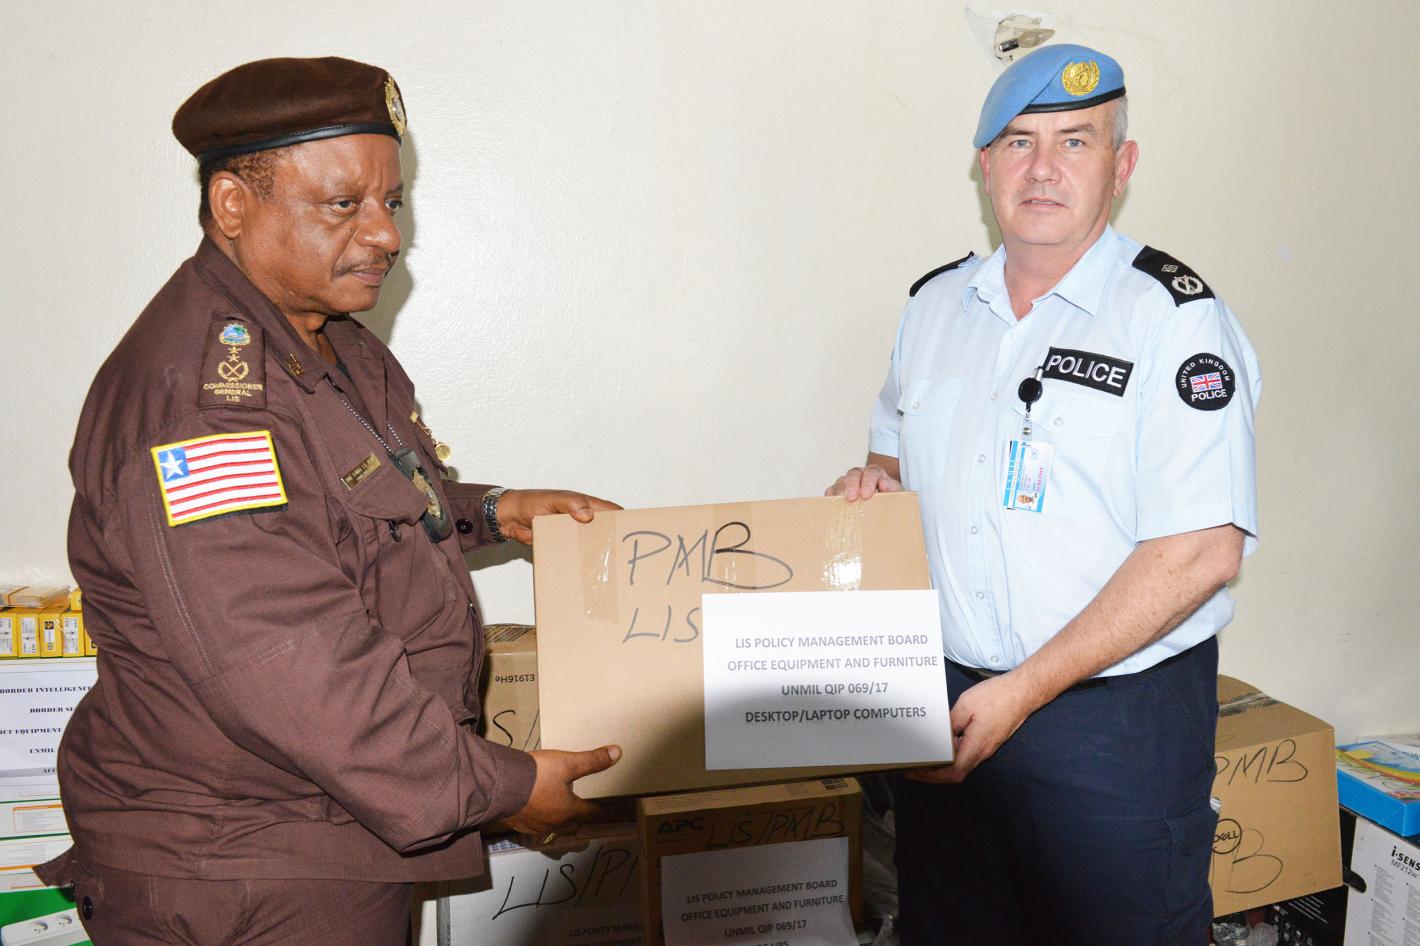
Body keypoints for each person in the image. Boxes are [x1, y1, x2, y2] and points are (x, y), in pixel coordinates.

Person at [38, 56, 621, 943]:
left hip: (308, 834)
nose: (386, 234)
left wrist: (492, 511)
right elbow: (292, 663)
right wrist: (502, 788)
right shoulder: (208, 406)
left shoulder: (324, 340)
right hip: (251, 862)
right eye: (343, 204)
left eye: (392, 202)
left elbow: (339, 510)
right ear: (234, 205)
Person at [827, 44, 1260, 944]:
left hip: (1115, 729)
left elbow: (1201, 550)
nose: (1043, 168)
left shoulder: (1173, 319)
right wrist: (875, 486)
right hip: (950, 707)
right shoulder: (934, 309)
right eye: (1019, 142)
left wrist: (1023, 691)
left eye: (1076, 141)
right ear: (985, 167)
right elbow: (892, 458)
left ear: (1121, 166)